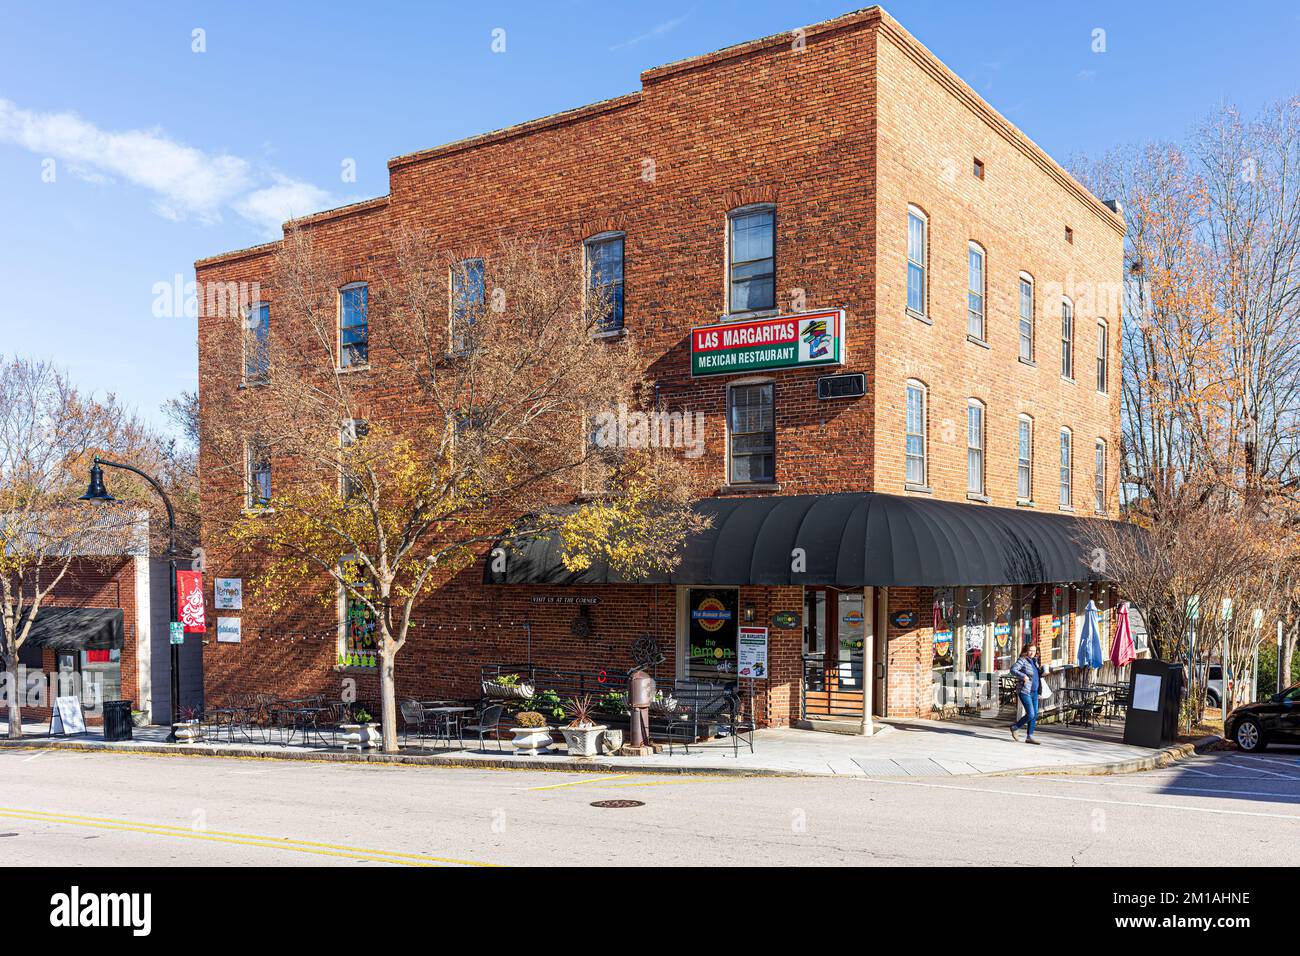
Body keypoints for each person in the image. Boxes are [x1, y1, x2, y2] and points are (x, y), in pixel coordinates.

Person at [1009, 642, 1042, 744]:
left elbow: (1036, 675)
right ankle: (1015, 727)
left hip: (1034, 691)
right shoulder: (1022, 660)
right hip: (1024, 690)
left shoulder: (1035, 661)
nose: (1032, 652)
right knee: (1031, 714)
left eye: (1034, 650)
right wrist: (1022, 676)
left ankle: (1029, 736)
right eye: (1030, 650)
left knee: (1035, 714)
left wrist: (1044, 672)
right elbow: (1013, 669)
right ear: (1026, 651)